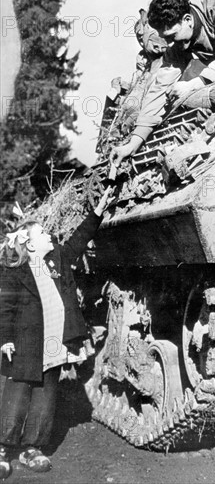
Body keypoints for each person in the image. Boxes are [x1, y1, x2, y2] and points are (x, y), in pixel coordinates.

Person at [0, 189, 112, 479]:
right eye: (42, 234)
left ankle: (32, 448)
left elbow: (78, 238)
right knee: (17, 393)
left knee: (45, 395)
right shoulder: (15, 269)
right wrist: (5, 339)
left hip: (53, 343)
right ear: (28, 242)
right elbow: (5, 307)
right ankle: (2, 449)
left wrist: (97, 212)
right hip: (24, 343)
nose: (50, 235)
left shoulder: (58, 259)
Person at [110, 0, 215, 166]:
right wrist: (133, 143)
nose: (170, 44)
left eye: (172, 36)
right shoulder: (177, 36)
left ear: (187, 20)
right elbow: (160, 87)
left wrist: (196, 83)